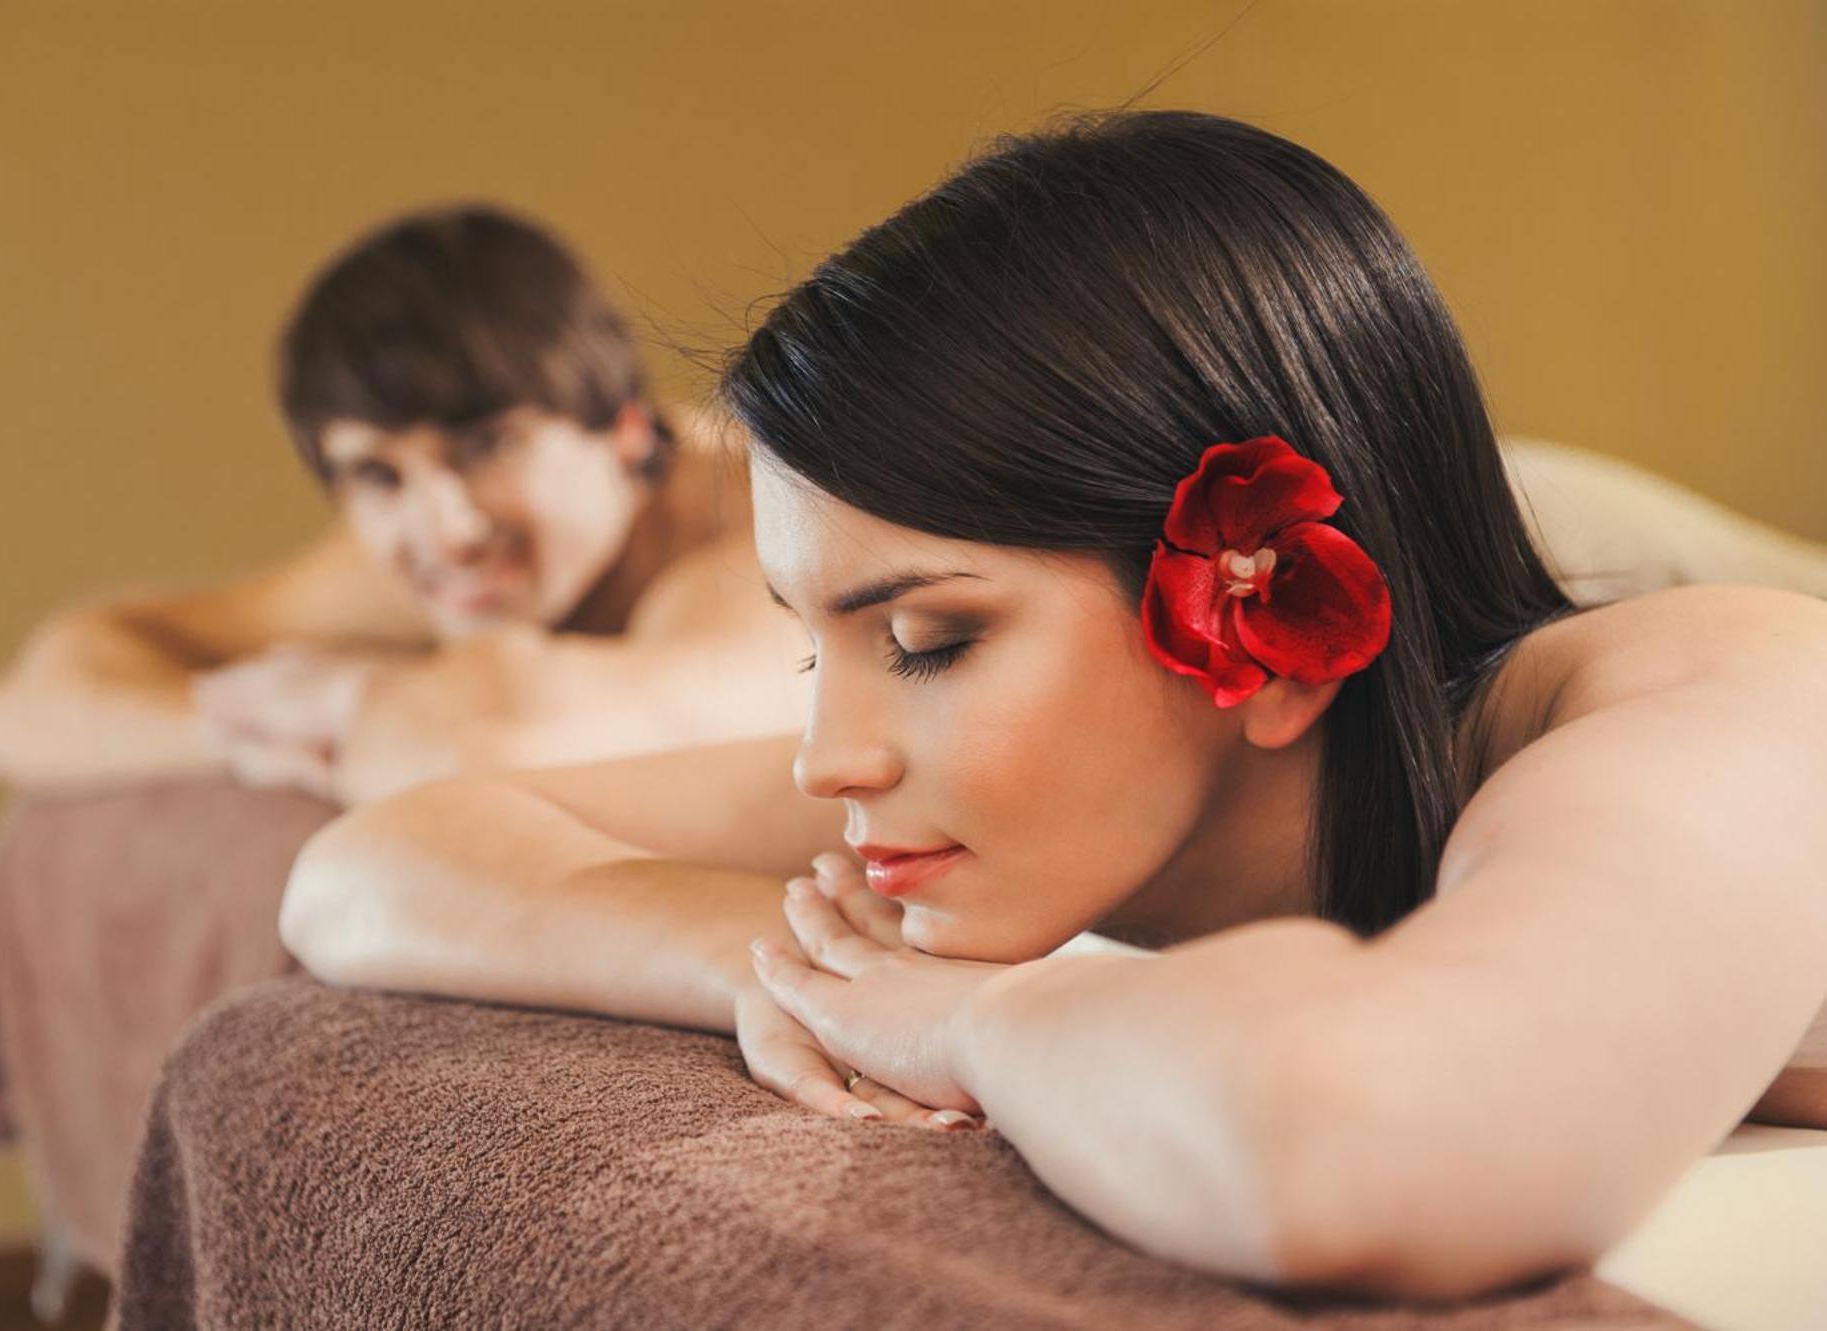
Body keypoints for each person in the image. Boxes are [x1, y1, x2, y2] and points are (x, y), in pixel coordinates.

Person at [276, 112, 1827, 1299]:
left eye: (929, 639)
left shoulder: (1725, 700)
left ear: (1272, 618)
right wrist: (793, 967)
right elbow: (374, 863)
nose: (827, 759)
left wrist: (967, 1019)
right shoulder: (1087, 788)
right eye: (816, 647)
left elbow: (1358, 1136)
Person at [0, 204, 809, 805]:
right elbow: (20, 713)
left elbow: (498, 733)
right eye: (378, 476)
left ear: (624, 431)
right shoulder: (444, 554)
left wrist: (344, 698)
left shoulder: (767, 537)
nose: (450, 531)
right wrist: (239, 734)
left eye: (488, 446)